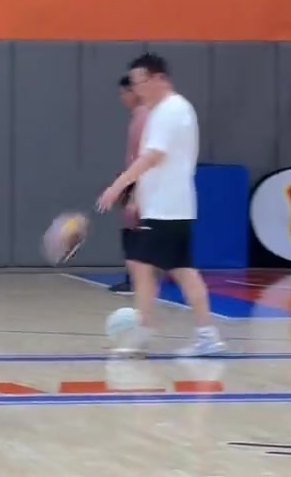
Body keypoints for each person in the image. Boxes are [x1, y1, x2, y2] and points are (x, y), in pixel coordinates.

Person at [96, 51, 224, 356]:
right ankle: (207, 335)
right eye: (134, 84)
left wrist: (118, 186)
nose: (137, 89)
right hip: (169, 207)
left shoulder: (170, 111)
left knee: (143, 268)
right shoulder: (166, 110)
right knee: (181, 270)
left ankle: (143, 336)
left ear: (159, 78)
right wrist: (138, 198)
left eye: (141, 82)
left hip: (167, 209)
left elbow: (153, 157)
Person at [111, 66, 148, 293]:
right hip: (135, 180)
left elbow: (143, 157)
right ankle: (134, 278)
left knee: (136, 230)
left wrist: (134, 190)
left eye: (124, 93)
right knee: (132, 229)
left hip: (141, 182)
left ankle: (137, 280)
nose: (122, 98)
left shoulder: (144, 117)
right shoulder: (138, 117)